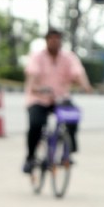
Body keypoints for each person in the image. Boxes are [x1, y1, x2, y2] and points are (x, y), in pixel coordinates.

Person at [23, 28, 92, 172]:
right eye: (51, 39)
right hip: (38, 98)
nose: (55, 42)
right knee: (36, 125)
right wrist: (34, 88)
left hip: (60, 98)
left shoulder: (68, 57)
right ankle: (30, 158)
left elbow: (78, 72)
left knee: (73, 115)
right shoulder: (37, 57)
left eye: (57, 39)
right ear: (47, 41)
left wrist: (85, 85)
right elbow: (33, 73)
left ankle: (68, 151)